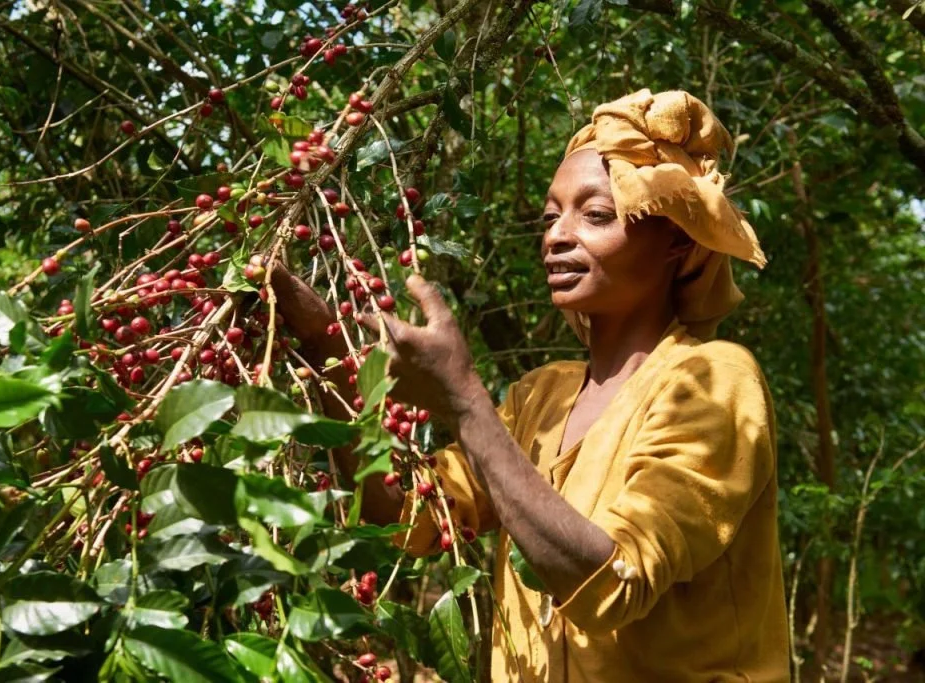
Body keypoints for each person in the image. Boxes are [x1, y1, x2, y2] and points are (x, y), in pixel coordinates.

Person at [272, 88, 791, 682]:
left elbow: (614, 583)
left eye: (595, 215)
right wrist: (328, 351)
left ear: (676, 241)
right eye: (550, 218)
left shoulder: (713, 377)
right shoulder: (538, 397)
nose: (557, 237)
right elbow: (410, 520)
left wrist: (463, 402)